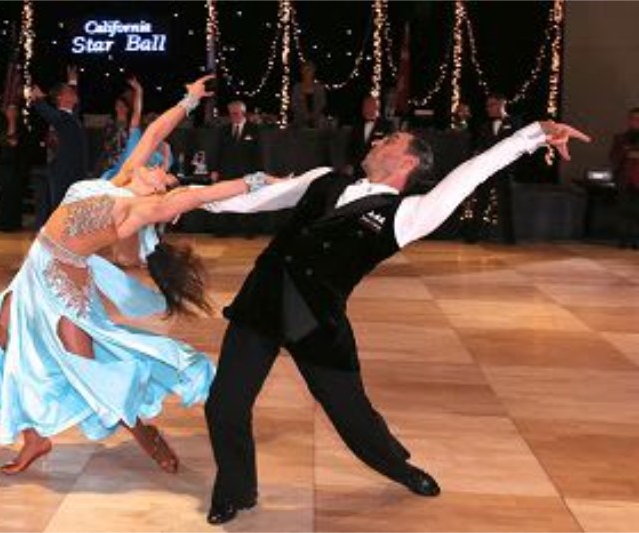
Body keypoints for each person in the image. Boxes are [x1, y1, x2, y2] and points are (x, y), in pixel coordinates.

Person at [204, 120, 590, 525]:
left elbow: (473, 171)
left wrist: (532, 135)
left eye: (390, 140)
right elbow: (259, 199)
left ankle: (399, 468)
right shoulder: (325, 179)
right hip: (261, 301)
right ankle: (236, 490)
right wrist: (188, 202)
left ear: (408, 160)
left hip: (316, 322)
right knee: (224, 406)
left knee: (353, 419)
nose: (377, 140)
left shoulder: (409, 214)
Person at [0, 74, 281, 476]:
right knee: (2, 339)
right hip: (34, 269)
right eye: (156, 165)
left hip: (63, 285)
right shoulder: (121, 180)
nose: (156, 168)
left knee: (89, 367)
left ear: (159, 193)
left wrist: (258, 181)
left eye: (163, 175)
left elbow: (200, 194)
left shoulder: (140, 209)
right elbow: (152, 134)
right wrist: (188, 101)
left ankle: (143, 432)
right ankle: (34, 437)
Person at [462, 93, 523, 244]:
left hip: (504, 170)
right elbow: (479, 147)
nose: (488, 108)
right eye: (487, 105)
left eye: (492, 105)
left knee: (505, 205)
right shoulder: (485, 126)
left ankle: (509, 240)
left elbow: (519, 146)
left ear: (502, 104)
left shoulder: (514, 122)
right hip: (486, 170)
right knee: (480, 202)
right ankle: (472, 238)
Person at [31, 67, 88, 212]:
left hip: (76, 171)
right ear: (60, 98)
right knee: (62, 210)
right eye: (70, 92)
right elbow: (48, 113)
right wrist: (38, 99)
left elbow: (74, 104)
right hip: (64, 173)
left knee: (74, 209)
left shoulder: (72, 116)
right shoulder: (61, 117)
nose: (74, 94)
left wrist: (73, 81)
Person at [101, 77, 171, 181]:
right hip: (116, 174)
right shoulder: (133, 140)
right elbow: (136, 114)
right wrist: (139, 91)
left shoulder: (163, 147)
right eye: (117, 105)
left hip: (141, 181)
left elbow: (164, 172)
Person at [0, 104, 29, 232]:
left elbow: (19, 142)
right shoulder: (0, 125)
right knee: (4, 194)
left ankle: (14, 223)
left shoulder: (21, 126)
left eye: (15, 110)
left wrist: (12, 137)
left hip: (17, 166)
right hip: (3, 164)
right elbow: (0, 140)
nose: (12, 112)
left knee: (15, 194)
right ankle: (2, 224)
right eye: (10, 110)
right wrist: (8, 140)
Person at [210, 100, 263, 183]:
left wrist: (260, 172)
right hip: (226, 174)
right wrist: (214, 170)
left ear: (243, 112)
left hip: (247, 175)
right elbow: (217, 151)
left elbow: (260, 152)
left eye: (236, 113)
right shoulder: (223, 130)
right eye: (231, 113)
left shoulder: (255, 130)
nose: (233, 116)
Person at [610, 107, 639, 249]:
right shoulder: (620, 138)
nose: (636, 122)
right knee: (624, 210)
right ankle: (623, 240)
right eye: (633, 118)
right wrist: (625, 152)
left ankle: (636, 241)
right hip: (625, 179)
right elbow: (613, 158)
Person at [345, 95, 395, 175]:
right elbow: (351, 146)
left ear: (376, 108)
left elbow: (390, 148)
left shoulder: (386, 126)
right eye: (364, 106)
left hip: (377, 169)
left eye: (369, 106)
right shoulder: (357, 125)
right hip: (357, 169)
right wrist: (350, 164)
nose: (365, 109)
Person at [291, 61, 327, 128]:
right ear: (301, 72)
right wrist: (304, 114)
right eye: (305, 70)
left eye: (309, 70)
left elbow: (322, 103)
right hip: (300, 121)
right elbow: (294, 104)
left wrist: (313, 115)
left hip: (317, 121)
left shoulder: (319, 88)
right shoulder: (297, 87)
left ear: (313, 72)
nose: (307, 73)